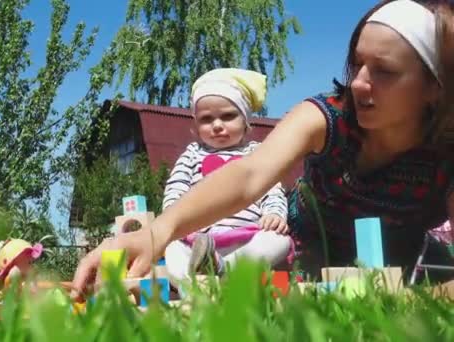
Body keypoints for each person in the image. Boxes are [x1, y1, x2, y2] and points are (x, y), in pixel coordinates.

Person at [71, 0, 454, 298]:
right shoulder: (327, 118)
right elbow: (250, 174)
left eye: (384, 71)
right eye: (358, 65)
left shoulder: (445, 154)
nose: (358, 84)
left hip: (399, 267)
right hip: (306, 258)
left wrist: (412, 297)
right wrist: (159, 231)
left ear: (434, 86)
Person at [162, 68, 292, 282]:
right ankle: (194, 283)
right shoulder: (193, 154)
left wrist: (274, 214)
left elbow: (272, 188)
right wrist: (171, 219)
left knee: (279, 240)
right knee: (172, 248)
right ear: (195, 126)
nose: (217, 125)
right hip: (197, 239)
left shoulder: (257, 153)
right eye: (206, 119)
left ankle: (224, 270)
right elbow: (176, 187)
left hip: (246, 237)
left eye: (228, 116)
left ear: (246, 121)